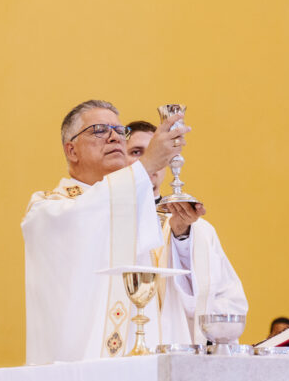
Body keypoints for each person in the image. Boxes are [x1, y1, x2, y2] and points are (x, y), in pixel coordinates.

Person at [22, 100, 190, 364]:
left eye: (118, 130)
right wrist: (144, 166)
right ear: (71, 150)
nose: (114, 137)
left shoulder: (137, 205)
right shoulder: (46, 209)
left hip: (138, 364)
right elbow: (85, 217)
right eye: (99, 130)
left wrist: (181, 235)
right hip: (75, 369)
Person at [125, 120, 248, 341]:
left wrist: (181, 237)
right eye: (136, 152)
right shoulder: (112, 223)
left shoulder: (199, 230)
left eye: (156, 154)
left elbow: (228, 300)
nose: (149, 161)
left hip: (180, 347)